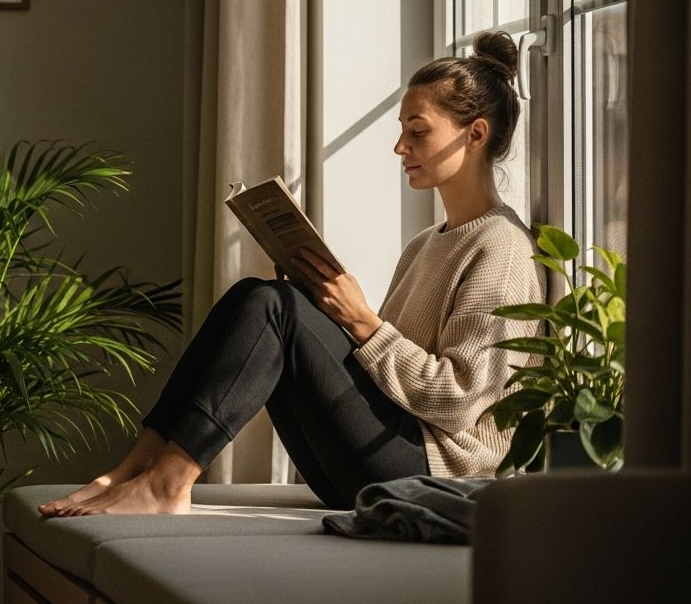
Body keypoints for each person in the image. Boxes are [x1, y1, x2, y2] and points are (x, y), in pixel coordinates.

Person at [40, 31, 544, 515]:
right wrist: (325, 311)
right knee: (256, 296)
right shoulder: (425, 245)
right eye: (401, 130)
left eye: (418, 131)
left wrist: (362, 322)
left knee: (273, 308)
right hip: (382, 460)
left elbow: (458, 402)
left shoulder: (501, 248)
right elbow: (385, 377)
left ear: (475, 134)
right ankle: (136, 469)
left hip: (439, 474)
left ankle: (167, 484)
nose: (399, 147)